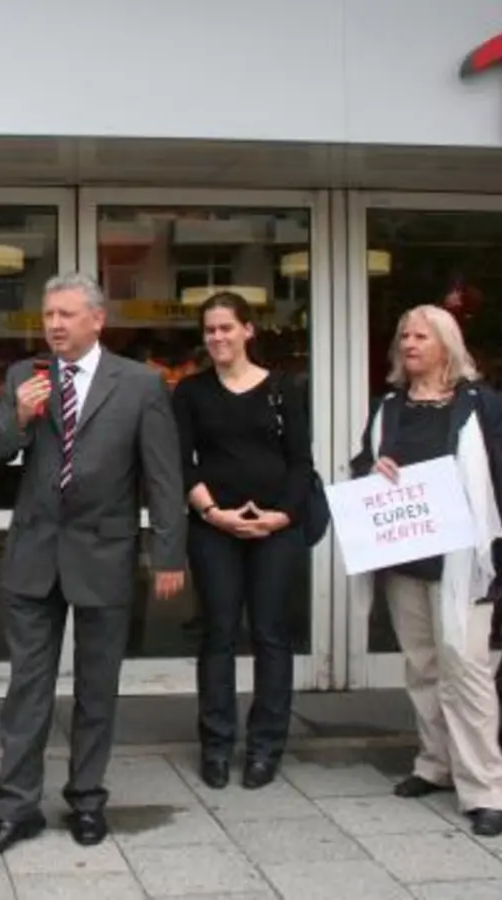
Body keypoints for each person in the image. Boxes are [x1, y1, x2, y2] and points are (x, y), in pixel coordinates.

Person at [0, 273, 186, 854]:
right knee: (27, 689)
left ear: (97, 320)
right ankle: (16, 809)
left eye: (67, 314)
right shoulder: (25, 377)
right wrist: (18, 416)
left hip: (105, 554)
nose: (56, 325)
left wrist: (168, 551)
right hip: (34, 555)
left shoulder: (139, 385)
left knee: (97, 687)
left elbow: (164, 477)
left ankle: (87, 799)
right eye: (49, 315)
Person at [350, 304, 502, 838]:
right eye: (403, 335)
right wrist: (369, 469)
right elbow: (364, 465)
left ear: (446, 344)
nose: (408, 343)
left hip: (466, 562)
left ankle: (487, 789)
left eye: (420, 335)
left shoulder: (482, 405)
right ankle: (436, 764)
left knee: (466, 670)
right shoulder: (389, 406)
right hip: (407, 559)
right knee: (423, 665)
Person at [171, 293, 310, 790]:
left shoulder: (282, 389)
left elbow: (301, 462)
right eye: (210, 330)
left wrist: (281, 517)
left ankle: (265, 746)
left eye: (226, 328)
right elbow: (181, 462)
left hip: (276, 529)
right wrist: (212, 512)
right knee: (218, 633)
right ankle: (216, 744)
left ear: (249, 330)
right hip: (215, 528)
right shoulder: (189, 392)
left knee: (272, 634)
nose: (217, 338)